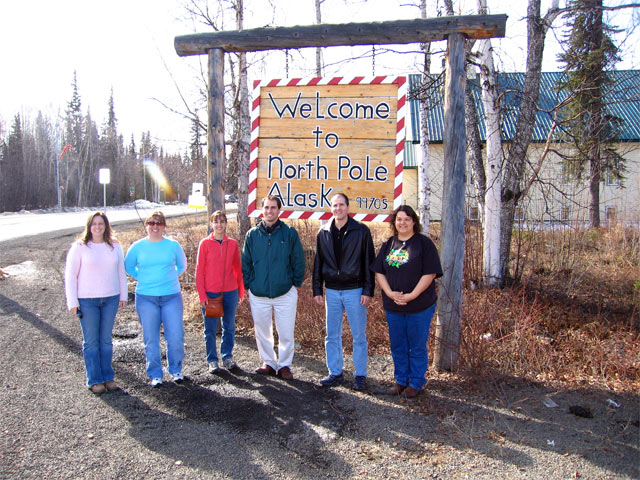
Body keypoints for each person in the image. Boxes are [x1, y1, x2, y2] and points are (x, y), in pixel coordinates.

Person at [370, 205, 443, 398]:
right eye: (399, 219)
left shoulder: (423, 244)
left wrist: (412, 295)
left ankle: (416, 382)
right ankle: (401, 380)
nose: (402, 222)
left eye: (407, 219)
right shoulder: (388, 244)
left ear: (414, 222)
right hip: (393, 305)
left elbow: (430, 272)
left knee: (417, 344)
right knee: (398, 344)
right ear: (394, 222)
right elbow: (379, 271)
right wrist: (390, 293)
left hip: (419, 305)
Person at [312, 193, 375, 391]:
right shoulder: (323, 232)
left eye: (341, 205)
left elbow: (369, 262)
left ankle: (360, 375)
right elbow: (318, 264)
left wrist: (368, 289)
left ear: (348, 207)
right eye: (334, 205)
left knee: (358, 335)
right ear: (331, 208)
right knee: (332, 335)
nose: (338, 208)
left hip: (355, 291)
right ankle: (335, 372)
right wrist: (317, 289)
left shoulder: (361, 231)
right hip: (331, 290)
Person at [241, 195, 305, 379]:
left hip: (284, 292)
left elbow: (298, 261)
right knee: (263, 332)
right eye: (266, 207)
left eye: (273, 208)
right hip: (259, 293)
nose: (269, 211)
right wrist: (250, 284)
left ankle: (284, 365)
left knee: (285, 332)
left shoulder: (289, 233)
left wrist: (295, 283)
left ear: (279, 210)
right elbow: (246, 262)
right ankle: (268, 362)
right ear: (262, 210)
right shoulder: (252, 235)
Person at [64, 212, 128, 394]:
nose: (98, 227)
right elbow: (70, 276)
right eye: (94, 224)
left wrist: (123, 295)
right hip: (87, 300)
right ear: (89, 226)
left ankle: (108, 376)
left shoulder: (114, 246)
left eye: (101, 224)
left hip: (111, 298)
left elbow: (120, 272)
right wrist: (72, 301)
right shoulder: (80, 247)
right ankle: (94, 379)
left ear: (106, 226)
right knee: (91, 342)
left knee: (106, 341)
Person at [124, 211, 187, 387]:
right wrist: (143, 278)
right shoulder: (137, 247)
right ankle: (155, 374)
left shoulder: (173, 246)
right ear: (146, 225)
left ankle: (176, 370)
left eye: (159, 223)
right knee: (151, 338)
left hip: (171, 297)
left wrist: (170, 277)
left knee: (175, 335)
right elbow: (128, 266)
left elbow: (182, 265)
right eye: (151, 223)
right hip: (146, 298)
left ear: (164, 226)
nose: (155, 226)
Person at [195, 210, 244, 373]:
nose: (219, 225)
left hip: (230, 291)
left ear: (226, 224)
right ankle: (212, 360)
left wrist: (240, 291)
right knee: (210, 329)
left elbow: (237, 268)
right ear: (211, 224)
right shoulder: (205, 244)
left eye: (222, 221)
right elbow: (199, 271)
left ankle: (227, 356)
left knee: (229, 326)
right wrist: (202, 294)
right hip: (211, 293)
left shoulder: (232, 244)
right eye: (216, 222)